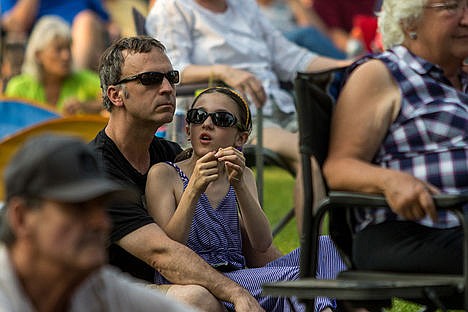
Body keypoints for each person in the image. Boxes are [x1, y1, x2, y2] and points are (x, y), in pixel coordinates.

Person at [90, 35, 265, 312]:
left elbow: (252, 245)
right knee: (196, 298)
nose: (167, 88)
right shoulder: (98, 170)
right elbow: (162, 254)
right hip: (109, 291)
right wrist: (236, 292)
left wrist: (299, 275)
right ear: (116, 95)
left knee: (320, 260)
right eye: (150, 79)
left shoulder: (171, 155)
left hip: (170, 281)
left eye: (171, 77)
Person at [146, 0, 351, 233]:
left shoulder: (244, 5)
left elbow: (292, 58)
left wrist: (353, 66)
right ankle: (313, 256)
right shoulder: (172, 7)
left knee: (351, 147)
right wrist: (223, 71)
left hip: (283, 107)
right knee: (307, 155)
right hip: (236, 121)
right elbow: (172, 68)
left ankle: (349, 249)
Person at [145, 86, 346, 312]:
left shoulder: (243, 175)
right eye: (198, 116)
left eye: (221, 119)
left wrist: (239, 185)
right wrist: (194, 189)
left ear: (240, 138)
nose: (207, 124)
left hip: (241, 276)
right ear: (188, 129)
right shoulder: (165, 174)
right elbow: (169, 250)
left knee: (329, 247)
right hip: (193, 280)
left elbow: (262, 243)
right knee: (300, 277)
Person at [322, 0, 468, 274]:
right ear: (409, 21)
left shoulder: (460, 79)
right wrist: (389, 180)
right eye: (451, 7)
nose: (467, 19)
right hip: (414, 231)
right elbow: (338, 167)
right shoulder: (382, 74)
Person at [0, 134, 194, 312]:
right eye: (79, 208)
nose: (101, 222)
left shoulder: (93, 284)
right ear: (21, 218)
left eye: (102, 207)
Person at [4, 16, 103, 115]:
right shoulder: (19, 88)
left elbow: (113, 97)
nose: (66, 56)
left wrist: (87, 106)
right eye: (58, 50)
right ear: (38, 55)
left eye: (68, 48)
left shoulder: (82, 79)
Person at [0, 0, 120, 71]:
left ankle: (74, 80)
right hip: (42, 37)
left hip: (80, 37)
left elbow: (108, 23)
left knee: (86, 21)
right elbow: (15, 26)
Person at [257, 0, 346, 59]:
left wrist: (295, 2)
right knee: (305, 33)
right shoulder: (251, 9)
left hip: (298, 47)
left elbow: (318, 30)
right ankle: (347, 66)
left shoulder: (285, 3)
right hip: (274, 47)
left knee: (307, 32)